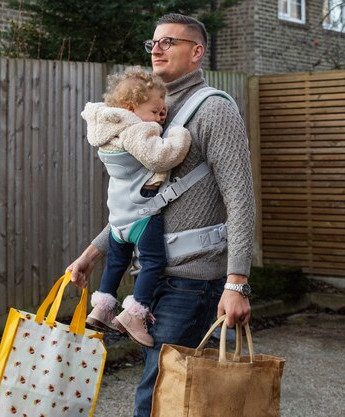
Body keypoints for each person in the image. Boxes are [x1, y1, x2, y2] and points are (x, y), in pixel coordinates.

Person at [67, 13, 256, 417]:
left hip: (195, 280)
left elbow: (241, 198)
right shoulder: (150, 116)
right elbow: (141, 207)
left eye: (169, 41)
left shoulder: (213, 111)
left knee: (156, 396)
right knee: (170, 396)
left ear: (196, 52)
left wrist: (236, 283)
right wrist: (89, 256)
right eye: (153, 42)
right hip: (155, 278)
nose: (157, 48)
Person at [81, 66, 191, 348]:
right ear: (130, 108)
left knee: (117, 263)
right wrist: (178, 134)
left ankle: (103, 308)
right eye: (155, 111)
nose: (160, 116)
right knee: (153, 262)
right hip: (143, 214)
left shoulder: (107, 132)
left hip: (118, 217)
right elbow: (161, 158)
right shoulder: (134, 131)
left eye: (162, 111)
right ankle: (134, 313)